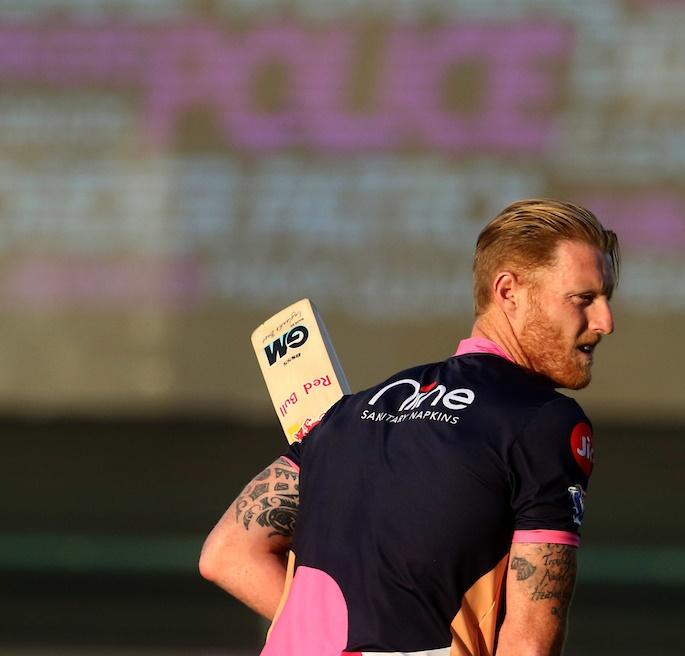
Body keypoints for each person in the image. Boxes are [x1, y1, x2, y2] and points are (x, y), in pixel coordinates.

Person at [200, 198, 619, 656]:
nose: (605, 322)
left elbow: (228, 554)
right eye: (584, 299)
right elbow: (528, 642)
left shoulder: (347, 416)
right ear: (508, 291)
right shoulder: (546, 421)